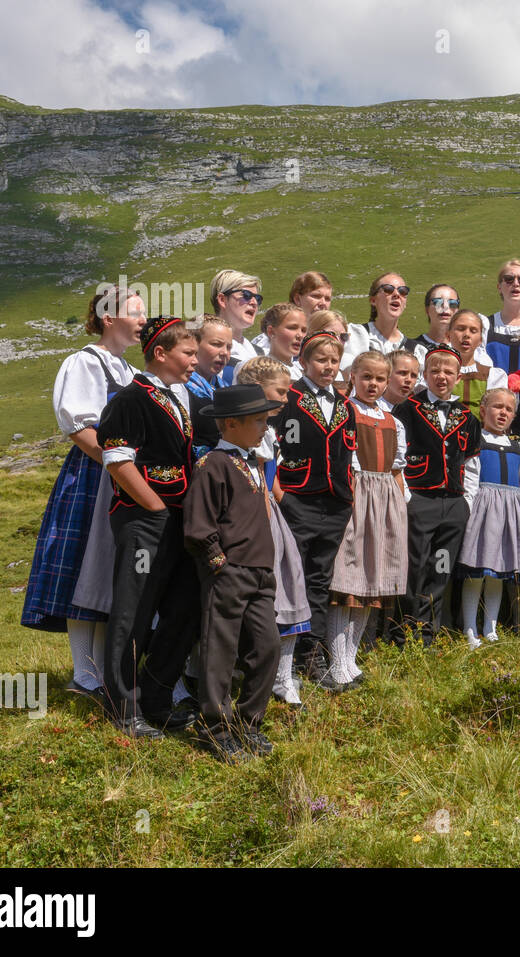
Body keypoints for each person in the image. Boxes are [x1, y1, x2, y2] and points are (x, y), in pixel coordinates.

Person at [22, 286, 144, 700]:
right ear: (109, 318)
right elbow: (78, 426)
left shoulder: (128, 370)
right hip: (96, 474)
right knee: (83, 566)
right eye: (136, 313)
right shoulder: (84, 362)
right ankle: (84, 675)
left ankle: (101, 672)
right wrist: (115, 466)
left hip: (122, 474)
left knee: (108, 569)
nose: (143, 321)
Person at [96, 316, 201, 737]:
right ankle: (122, 706)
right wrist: (156, 509)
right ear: (161, 353)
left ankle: (157, 698)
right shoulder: (130, 399)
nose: (196, 360)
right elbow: (118, 461)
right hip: (145, 521)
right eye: (188, 353)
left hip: (179, 520)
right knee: (134, 610)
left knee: (183, 607)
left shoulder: (178, 396)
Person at [183, 384, 285, 763]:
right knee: (219, 650)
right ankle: (214, 726)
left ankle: (248, 722)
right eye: (258, 420)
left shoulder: (254, 462)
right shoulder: (214, 465)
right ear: (230, 424)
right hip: (229, 573)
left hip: (260, 572)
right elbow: (198, 524)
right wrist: (217, 561)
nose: (264, 427)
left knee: (267, 646)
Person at [274, 330, 355, 682]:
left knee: (319, 579)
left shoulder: (344, 405)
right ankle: (282, 658)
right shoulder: (288, 398)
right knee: (290, 577)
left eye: (334, 361)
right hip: (297, 498)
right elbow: (271, 451)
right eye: (321, 359)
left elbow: (348, 455)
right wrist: (284, 499)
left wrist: (347, 497)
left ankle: (312, 653)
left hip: (335, 503)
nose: (328, 366)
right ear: (304, 361)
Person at [325, 352, 408, 688]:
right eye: (367, 377)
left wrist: (399, 507)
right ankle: (335, 660)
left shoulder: (392, 420)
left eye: (379, 379)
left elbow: (397, 469)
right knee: (348, 581)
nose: (373, 385)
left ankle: (351, 659)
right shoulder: (346, 412)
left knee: (372, 580)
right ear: (353, 377)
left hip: (384, 497)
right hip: (356, 494)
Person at [234, 357, 310, 708]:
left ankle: (282, 675)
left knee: (289, 586)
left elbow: (268, 474)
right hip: (254, 518)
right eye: (281, 391)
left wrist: (281, 501)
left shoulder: (268, 430)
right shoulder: (247, 431)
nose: (286, 397)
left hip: (270, 514)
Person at [394, 345, 482, 646]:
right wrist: (408, 497)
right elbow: (399, 457)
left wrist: (466, 503)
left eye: (448, 372)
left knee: (441, 567)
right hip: (420, 500)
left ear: (458, 377)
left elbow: (472, 463)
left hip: (453, 505)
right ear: (426, 375)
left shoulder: (467, 416)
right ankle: (403, 634)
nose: (441, 377)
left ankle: (428, 634)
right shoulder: (407, 409)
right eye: (435, 371)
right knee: (415, 567)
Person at [459, 389, 520, 648]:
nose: (503, 413)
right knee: (477, 571)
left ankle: (490, 627)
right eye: (497, 407)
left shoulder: (518, 444)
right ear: (483, 410)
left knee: (498, 571)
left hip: (510, 510)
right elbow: (470, 477)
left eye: (508, 409)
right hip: (484, 507)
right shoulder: (476, 439)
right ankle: (469, 627)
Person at [444, 309, 508, 419]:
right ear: (448, 335)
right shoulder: (436, 372)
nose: (466, 335)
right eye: (461, 329)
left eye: (473, 331)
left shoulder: (491, 375)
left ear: (480, 340)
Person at [186, 316, 234, 458]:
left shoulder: (225, 387)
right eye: (216, 344)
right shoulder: (179, 387)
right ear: (192, 344)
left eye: (229, 347)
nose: (225, 352)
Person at [345, 271, 415, 361]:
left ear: (405, 304)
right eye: (388, 289)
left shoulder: (415, 350)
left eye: (403, 291)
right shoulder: (354, 335)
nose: (397, 294)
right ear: (373, 300)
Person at [210, 268, 263, 368]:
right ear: (222, 300)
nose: (254, 302)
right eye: (246, 295)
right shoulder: (205, 351)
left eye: (257, 298)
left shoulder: (259, 351)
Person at [412, 284, 462, 364]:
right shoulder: (412, 349)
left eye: (452, 303)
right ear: (427, 309)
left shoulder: (466, 348)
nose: (445, 306)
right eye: (438, 302)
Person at [257, 302, 308, 375]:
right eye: (292, 328)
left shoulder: (301, 370)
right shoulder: (262, 372)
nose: (300, 335)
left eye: (303, 330)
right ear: (271, 331)